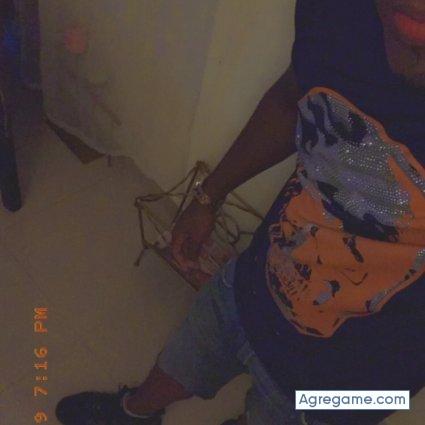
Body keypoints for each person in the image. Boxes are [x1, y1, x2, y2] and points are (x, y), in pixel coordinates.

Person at [55, 1, 425, 424]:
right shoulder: (337, 12)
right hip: (253, 281)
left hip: (359, 387)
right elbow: (292, 100)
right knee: (181, 361)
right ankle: (133, 412)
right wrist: (209, 196)